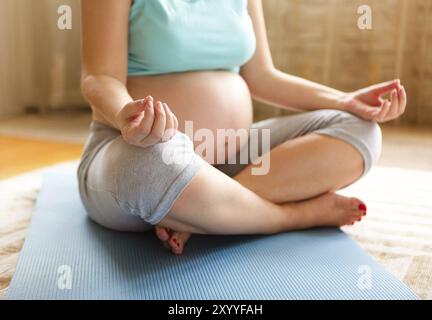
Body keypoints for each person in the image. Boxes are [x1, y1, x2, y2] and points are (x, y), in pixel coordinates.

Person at [78, 0, 407, 255]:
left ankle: (208, 211)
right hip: (136, 151)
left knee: (361, 131)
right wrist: (126, 116)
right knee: (149, 165)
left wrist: (344, 101)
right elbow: (100, 77)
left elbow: (262, 76)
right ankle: (293, 216)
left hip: (234, 159)